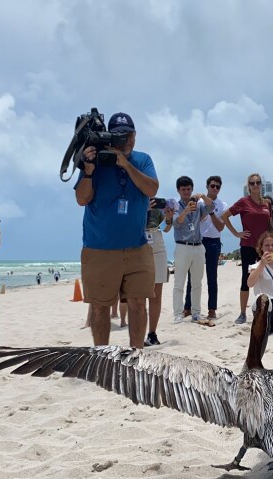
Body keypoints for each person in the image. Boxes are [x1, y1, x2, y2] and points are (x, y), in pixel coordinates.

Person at [75, 111, 158, 347]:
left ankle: (136, 357)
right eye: (120, 137)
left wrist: (125, 164)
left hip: (137, 247)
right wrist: (89, 170)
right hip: (99, 248)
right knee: (100, 307)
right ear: (110, 138)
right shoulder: (96, 162)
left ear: (135, 135)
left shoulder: (143, 160)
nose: (127, 141)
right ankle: (103, 357)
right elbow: (82, 198)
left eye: (130, 135)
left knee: (138, 303)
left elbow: (151, 189)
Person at [221, 173, 273, 324]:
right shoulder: (243, 202)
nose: (256, 185)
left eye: (258, 182)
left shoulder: (266, 204)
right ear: (248, 186)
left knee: (268, 278)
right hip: (248, 246)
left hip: (265, 248)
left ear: (261, 184)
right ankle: (242, 313)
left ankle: (268, 310)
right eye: (252, 183)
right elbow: (224, 216)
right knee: (246, 279)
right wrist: (236, 233)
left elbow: (270, 224)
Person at [170, 176, 217, 324]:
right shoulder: (175, 206)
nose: (186, 192)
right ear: (178, 190)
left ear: (192, 189)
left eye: (188, 189)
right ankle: (178, 313)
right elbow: (177, 223)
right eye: (183, 189)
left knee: (197, 282)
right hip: (182, 246)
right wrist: (185, 211)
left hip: (198, 246)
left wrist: (203, 196)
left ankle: (196, 313)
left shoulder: (198, 205)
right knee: (179, 283)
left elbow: (211, 207)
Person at [182, 176, 227, 320]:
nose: (214, 189)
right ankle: (187, 307)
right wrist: (204, 207)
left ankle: (212, 309)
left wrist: (212, 211)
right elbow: (194, 222)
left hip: (214, 242)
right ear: (207, 186)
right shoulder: (197, 202)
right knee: (192, 276)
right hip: (198, 241)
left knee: (212, 277)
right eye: (212, 186)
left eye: (217, 187)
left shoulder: (223, 205)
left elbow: (220, 227)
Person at [143, 198, 170, 346]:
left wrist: (169, 218)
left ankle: (152, 333)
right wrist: (143, 210)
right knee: (139, 294)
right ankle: (138, 332)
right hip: (139, 243)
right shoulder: (133, 200)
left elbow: (165, 228)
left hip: (158, 243)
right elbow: (126, 223)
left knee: (156, 294)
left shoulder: (159, 204)